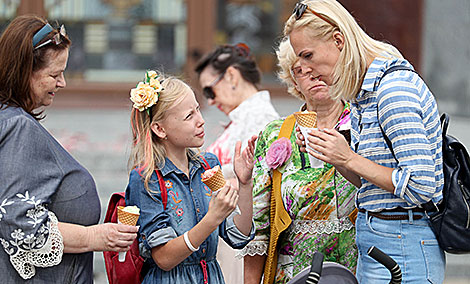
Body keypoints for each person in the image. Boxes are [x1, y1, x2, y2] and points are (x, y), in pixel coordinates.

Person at [284, 1, 445, 283]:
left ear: (338, 40)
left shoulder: (393, 89)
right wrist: (333, 154)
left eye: (308, 55)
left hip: (403, 240)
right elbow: (371, 185)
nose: (305, 68)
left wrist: (349, 158)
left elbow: (421, 186)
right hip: (383, 237)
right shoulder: (364, 93)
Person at [0, 15, 138, 282]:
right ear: (24, 71)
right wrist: (94, 236)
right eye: (54, 74)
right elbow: (18, 221)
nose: (62, 82)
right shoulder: (18, 127)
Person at [242, 38, 358, 284]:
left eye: (317, 67)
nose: (312, 75)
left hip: (356, 265)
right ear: (294, 82)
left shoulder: (363, 125)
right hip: (294, 271)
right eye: (301, 71)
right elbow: (261, 227)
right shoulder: (276, 134)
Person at [125, 70, 256, 284]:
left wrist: (245, 183)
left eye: (198, 109)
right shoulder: (146, 179)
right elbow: (164, 258)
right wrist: (212, 218)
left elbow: (237, 236)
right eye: (189, 116)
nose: (201, 121)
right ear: (160, 129)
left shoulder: (208, 166)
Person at [195, 43, 279, 283]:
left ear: (231, 75)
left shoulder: (261, 120)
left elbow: (263, 182)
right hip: (226, 230)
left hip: (241, 233)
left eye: (209, 91)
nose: (209, 102)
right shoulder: (243, 119)